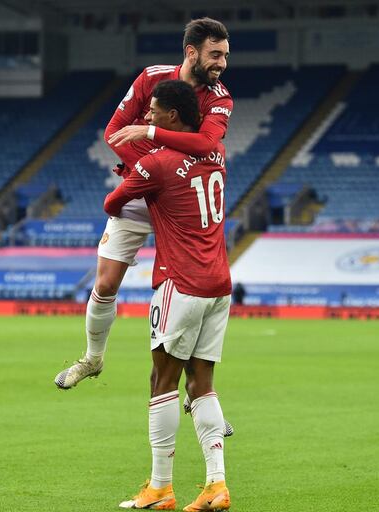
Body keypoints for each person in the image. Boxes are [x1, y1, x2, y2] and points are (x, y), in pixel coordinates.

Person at [55, 17, 232, 392]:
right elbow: (113, 133)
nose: (221, 63)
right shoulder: (150, 78)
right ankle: (92, 359)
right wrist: (152, 170)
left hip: (183, 201)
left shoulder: (220, 98)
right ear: (191, 52)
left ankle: (199, 394)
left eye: (225, 55)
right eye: (215, 54)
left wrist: (153, 141)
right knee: (104, 283)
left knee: (189, 291)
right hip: (142, 189)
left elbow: (207, 146)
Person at [110, 80, 231, 512]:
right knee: (203, 384)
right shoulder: (215, 154)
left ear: (172, 117)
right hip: (219, 283)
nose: (147, 118)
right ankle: (217, 483)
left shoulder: (157, 163)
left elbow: (113, 203)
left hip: (179, 282)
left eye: (154, 112)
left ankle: (161, 486)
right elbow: (197, 148)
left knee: (162, 381)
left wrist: (130, 176)